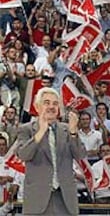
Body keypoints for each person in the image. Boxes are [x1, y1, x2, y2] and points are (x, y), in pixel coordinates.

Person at [16, 87, 86, 215]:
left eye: (55, 103)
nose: (51, 107)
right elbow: (23, 155)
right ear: (37, 107)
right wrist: (41, 131)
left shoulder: (67, 129)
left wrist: (73, 133)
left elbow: (80, 155)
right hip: (38, 200)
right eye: (46, 103)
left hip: (65, 200)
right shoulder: (26, 129)